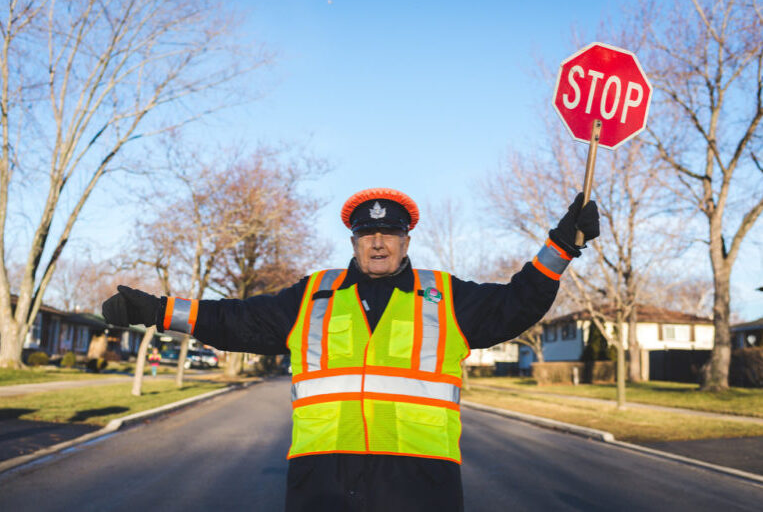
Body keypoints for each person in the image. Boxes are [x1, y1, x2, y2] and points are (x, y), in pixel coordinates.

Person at [102, 188, 598, 512]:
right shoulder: (312, 295)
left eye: (389, 234)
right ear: (354, 240)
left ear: (406, 241)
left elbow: (517, 303)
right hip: (324, 482)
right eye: (367, 234)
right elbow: (234, 320)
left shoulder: (444, 295)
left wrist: (560, 246)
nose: (378, 243)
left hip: (420, 484)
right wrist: (158, 310)